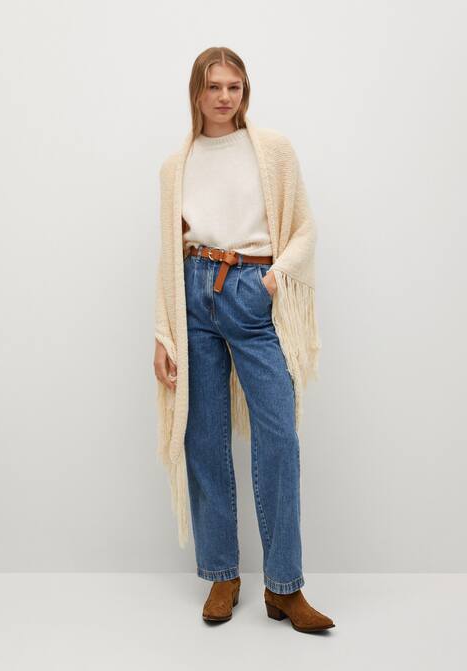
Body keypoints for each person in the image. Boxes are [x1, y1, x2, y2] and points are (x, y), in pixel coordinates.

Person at [154, 46, 335, 633]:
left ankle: (285, 586)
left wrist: (273, 281)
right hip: (194, 293)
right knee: (204, 440)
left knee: (278, 436)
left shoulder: (272, 150)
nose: (224, 97)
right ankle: (222, 575)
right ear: (197, 93)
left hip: (252, 291)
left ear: (244, 91)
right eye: (214, 86)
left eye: (234, 86)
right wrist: (163, 333)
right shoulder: (175, 167)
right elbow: (167, 253)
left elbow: (304, 227)